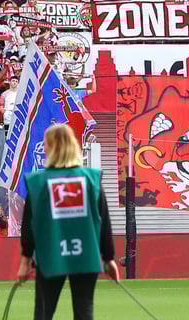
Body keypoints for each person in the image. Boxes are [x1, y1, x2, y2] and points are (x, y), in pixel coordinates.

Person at [18, 123, 119, 320]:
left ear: (54, 147)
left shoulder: (39, 182)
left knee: (43, 313)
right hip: (86, 255)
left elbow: (29, 226)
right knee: (84, 312)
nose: (44, 149)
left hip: (50, 255)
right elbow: (104, 222)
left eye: (46, 144)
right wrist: (109, 258)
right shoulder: (90, 179)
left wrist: (25, 261)